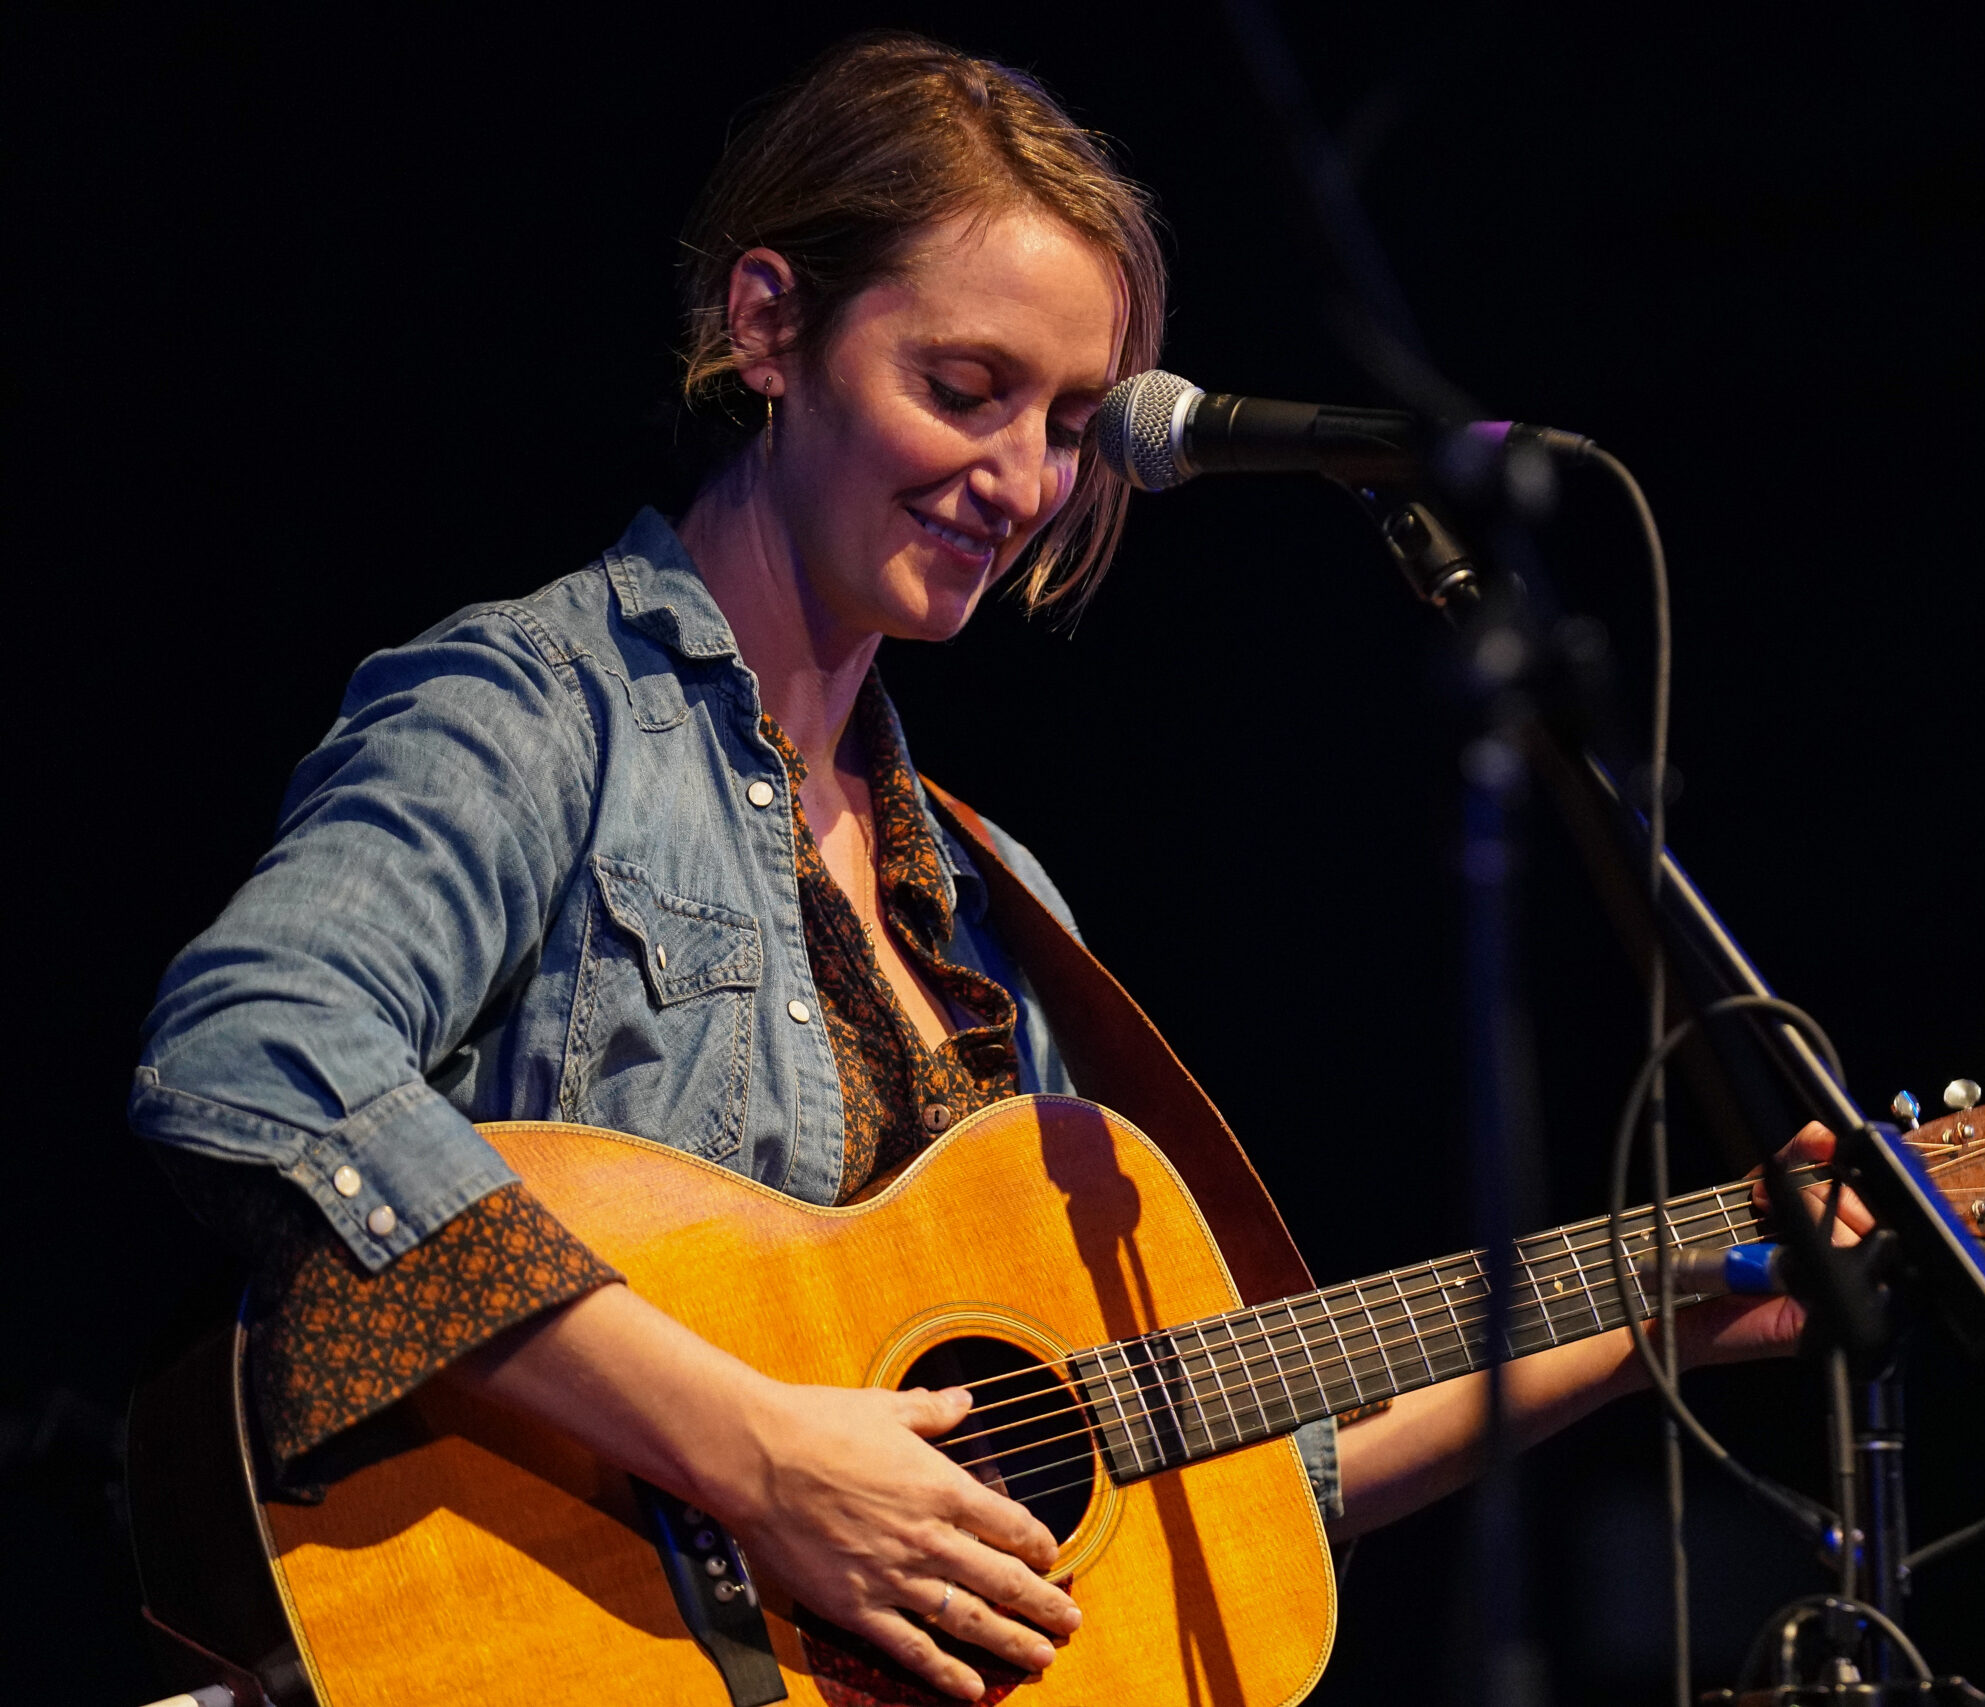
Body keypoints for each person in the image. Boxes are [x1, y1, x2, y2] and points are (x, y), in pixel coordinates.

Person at [130, 32, 1865, 1703]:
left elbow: (1211, 1473)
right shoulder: (539, 711)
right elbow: (254, 1056)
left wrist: (1668, 1307)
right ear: (768, 325)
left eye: (1070, 422)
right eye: (962, 392)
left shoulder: (982, 894)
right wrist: (756, 1452)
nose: (1023, 478)